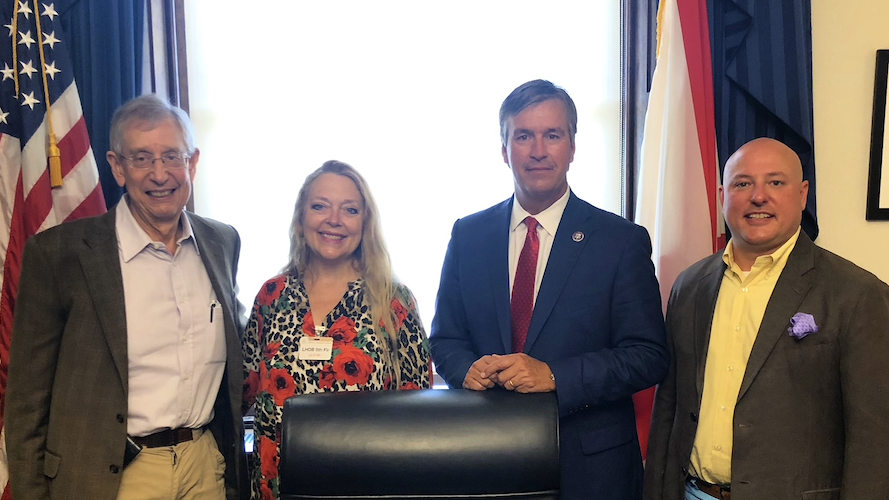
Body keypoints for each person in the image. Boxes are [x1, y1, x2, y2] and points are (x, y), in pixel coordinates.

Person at [429, 79, 669, 500]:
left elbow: (648, 355)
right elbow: (446, 338)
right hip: (486, 456)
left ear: (572, 147)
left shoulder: (619, 240)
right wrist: (465, 369)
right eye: (523, 136)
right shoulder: (469, 235)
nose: (538, 150)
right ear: (504, 150)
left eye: (552, 135)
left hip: (591, 470)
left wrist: (554, 376)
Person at [6, 94, 247, 500]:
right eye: (141, 158)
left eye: (172, 156)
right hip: (110, 475)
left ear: (192, 163)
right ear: (117, 167)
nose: (160, 174)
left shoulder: (221, 241)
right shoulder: (60, 254)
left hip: (204, 466)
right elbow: (27, 401)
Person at [644, 138, 889, 500]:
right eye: (743, 183)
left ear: (802, 195)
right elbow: (669, 407)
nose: (758, 197)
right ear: (723, 195)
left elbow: (875, 439)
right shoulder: (689, 286)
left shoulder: (857, 294)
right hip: (693, 492)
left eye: (775, 182)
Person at [242, 160, 432, 500]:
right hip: (279, 486)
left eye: (350, 210)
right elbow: (243, 390)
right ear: (301, 217)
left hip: (367, 485)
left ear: (365, 223)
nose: (334, 219)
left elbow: (417, 408)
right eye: (320, 206)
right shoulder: (272, 296)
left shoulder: (393, 301)